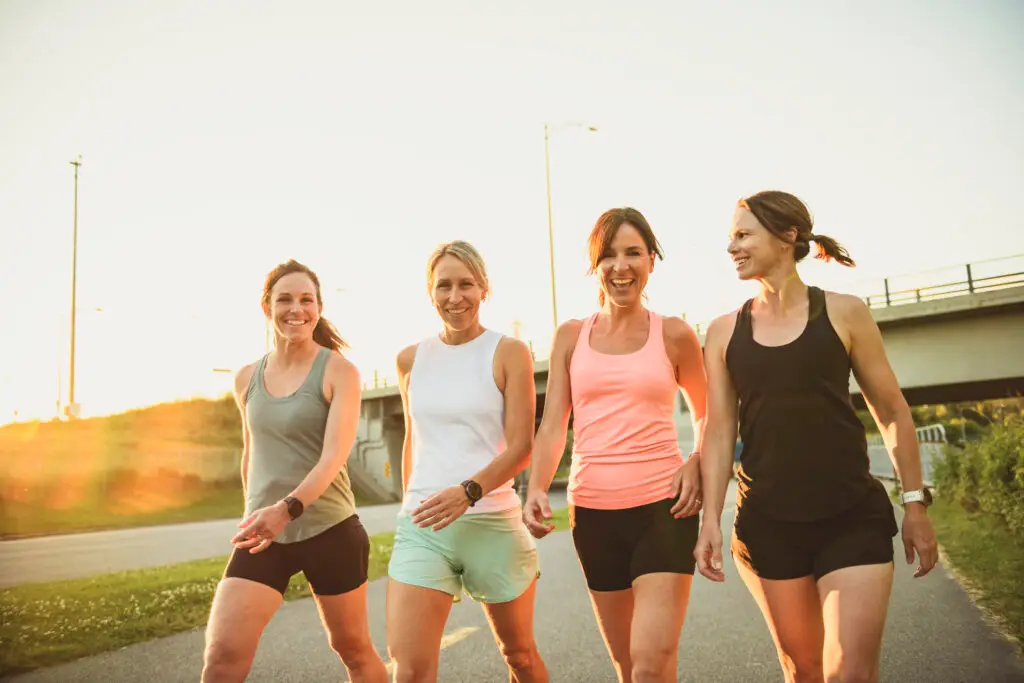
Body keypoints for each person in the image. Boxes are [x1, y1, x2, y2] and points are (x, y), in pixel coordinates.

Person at [694, 191, 939, 683]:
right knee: (803, 670)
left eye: (743, 235)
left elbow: (891, 410)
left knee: (848, 670)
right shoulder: (723, 332)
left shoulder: (845, 313)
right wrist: (709, 520)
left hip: (850, 516)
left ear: (787, 236)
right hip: (768, 524)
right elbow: (719, 432)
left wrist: (914, 504)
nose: (732, 247)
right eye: (731, 237)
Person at [523, 207, 708, 683]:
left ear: (651, 260)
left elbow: (710, 412)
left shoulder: (674, 333)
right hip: (594, 514)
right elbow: (552, 425)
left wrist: (697, 459)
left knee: (649, 664)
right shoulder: (570, 336)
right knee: (629, 668)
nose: (620, 266)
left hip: (664, 511)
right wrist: (538, 488)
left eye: (633, 253)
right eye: (609, 255)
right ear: (594, 265)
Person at [202, 259, 387, 683]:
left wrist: (283, 510)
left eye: (306, 300)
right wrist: (254, 514)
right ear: (266, 306)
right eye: (284, 299)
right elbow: (252, 453)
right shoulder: (246, 377)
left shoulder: (339, 371)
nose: (296, 309)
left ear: (319, 308)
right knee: (223, 654)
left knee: (354, 651)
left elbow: (333, 457)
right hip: (265, 535)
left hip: (332, 530)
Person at [386, 241, 548, 683]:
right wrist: (408, 504)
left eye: (466, 284)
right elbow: (413, 440)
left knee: (519, 656)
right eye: (444, 286)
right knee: (410, 669)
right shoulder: (409, 360)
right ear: (430, 292)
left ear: (484, 289)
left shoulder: (508, 352)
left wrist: (467, 492)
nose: (455, 296)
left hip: (491, 522)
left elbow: (521, 446)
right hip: (424, 528)